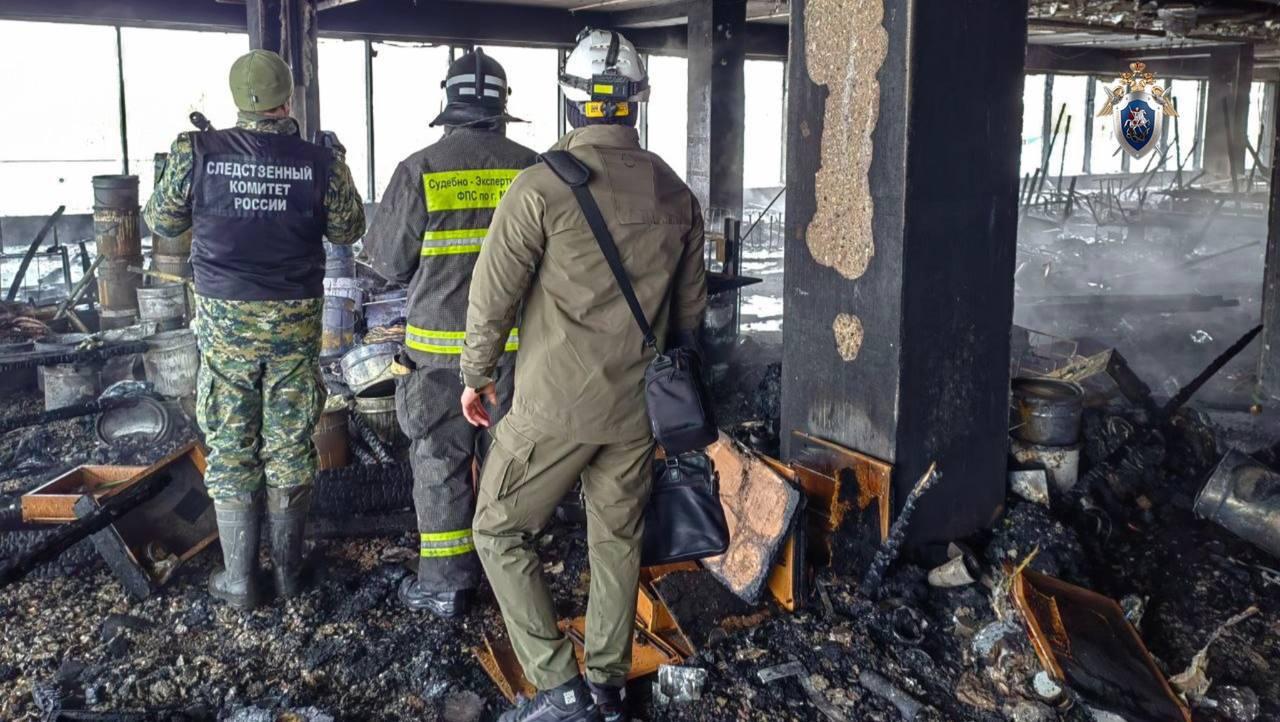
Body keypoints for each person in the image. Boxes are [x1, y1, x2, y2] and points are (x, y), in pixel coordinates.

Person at [461, 28, 707, 722]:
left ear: (572, 101)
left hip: (553, 408)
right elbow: (691, 317)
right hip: (637, 412)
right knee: (616, 543)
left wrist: (476, 374)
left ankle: (559, 689)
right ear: (637, 102)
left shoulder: (541, 187)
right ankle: (606, 688)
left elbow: (493, 295)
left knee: (498, 531)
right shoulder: (675, 193)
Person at [143, 49, 366, 610]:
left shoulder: (196, 151)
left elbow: (161, 221)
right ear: (287, 99)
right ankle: (289, 574)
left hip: (226, 320)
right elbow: (349, 229)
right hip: (294, 319)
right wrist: (335, 163)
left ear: (238, 100)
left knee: (230, 441)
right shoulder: (319, 160)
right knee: (289, 439)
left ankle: (240, 580)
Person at [364, 48, 537, 619]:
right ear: (502, 107)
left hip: (439, 358)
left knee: (439, 462)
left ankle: (446, 585)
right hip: (520, 353)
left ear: (449, 104)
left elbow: (387, 263)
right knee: (512, 462)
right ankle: (513, 582)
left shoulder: (420, 169)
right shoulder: (534, 170)